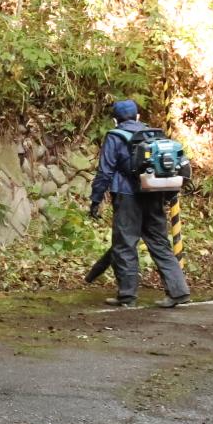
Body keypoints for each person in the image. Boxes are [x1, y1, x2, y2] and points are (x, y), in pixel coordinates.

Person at [87, 99, 192, 308]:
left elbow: (105, 171)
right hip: (154, 194)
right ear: (137, 117)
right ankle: (178, 291)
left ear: (115, 120)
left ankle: (127, 295)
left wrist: (95, 199)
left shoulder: (114, 136)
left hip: (127, 196)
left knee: (125, 244)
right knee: (159, 243)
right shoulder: (153, 135)